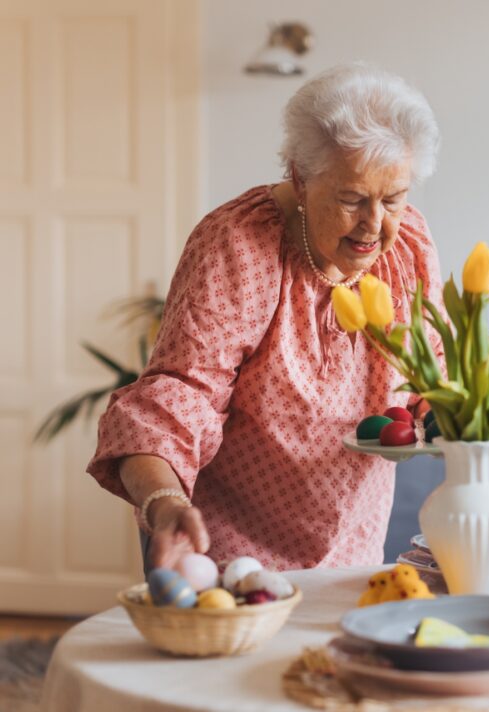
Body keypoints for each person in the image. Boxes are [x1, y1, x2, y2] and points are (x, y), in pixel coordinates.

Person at [87, 63, 444, 572]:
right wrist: (163, 502)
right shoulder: (240, 246)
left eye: (394, 199)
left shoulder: (406, 243)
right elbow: (181, 395)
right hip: (230, 555)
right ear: (300, 178)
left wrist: (442, 411)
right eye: (351, 199)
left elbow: (428, 368)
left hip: (355, 554)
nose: (375, 224)